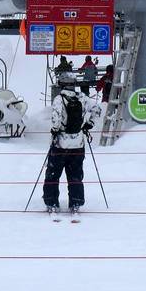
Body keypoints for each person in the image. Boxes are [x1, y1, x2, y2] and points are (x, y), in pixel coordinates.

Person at [43, 73, 102, 216]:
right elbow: (97, 109)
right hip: (78, 144)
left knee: (53, 175)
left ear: (62, 85)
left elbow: (56, 119)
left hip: (60, 144)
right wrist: (89, 124)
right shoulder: (82, 98)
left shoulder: (59, 99)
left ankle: (52, 203)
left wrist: (55, 130)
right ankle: (75, 203)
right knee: (75, 175)